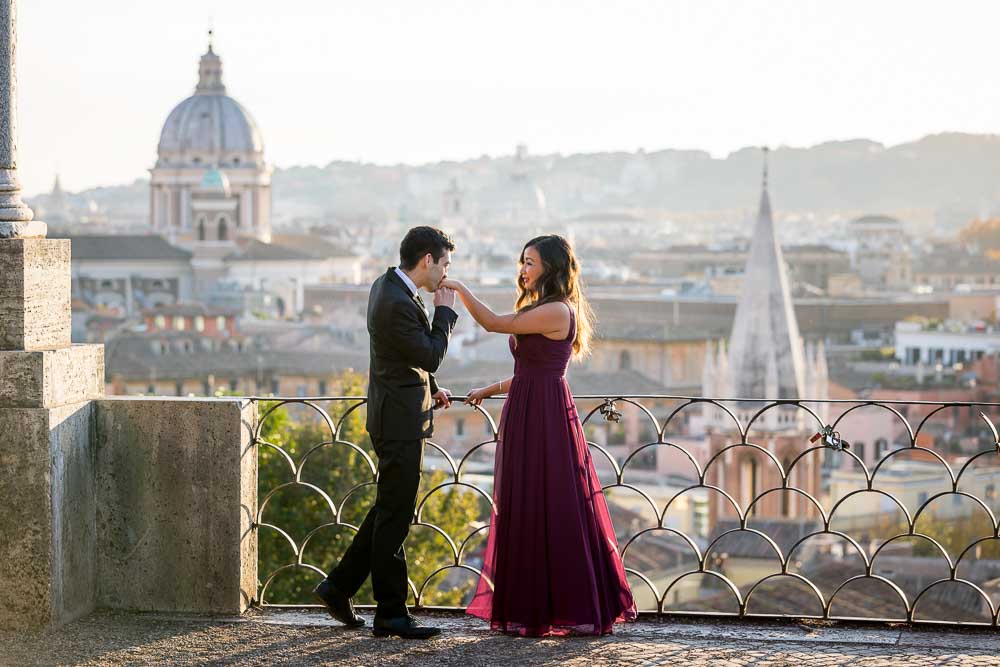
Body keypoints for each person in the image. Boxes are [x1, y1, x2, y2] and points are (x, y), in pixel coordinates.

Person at [442, 234, 637, 637]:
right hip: (529, 410)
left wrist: (459, 288)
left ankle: (568, 606)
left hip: (544, 417)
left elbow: (495, 323)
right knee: (527, 505)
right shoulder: (544, 309)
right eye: (521, 261)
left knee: (554, 506)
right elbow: (529, 372)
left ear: (550, 266)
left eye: (529, 261)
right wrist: (489, 390)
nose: (522, 269)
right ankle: (535, 605)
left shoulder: (557, 311)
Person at [313, 226, 459, 640]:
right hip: (399, 422)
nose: (445, 274)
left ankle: (338, 587)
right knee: (395, 516)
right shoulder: (398, 300)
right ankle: (391, 613)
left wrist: (431, 388)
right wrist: (444, 313)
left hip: (392, 413)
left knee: (386, 510)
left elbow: (400, 356)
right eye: (445, 264)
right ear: (427, 259)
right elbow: (430, 352)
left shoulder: (386, 286)